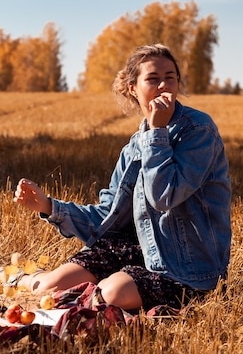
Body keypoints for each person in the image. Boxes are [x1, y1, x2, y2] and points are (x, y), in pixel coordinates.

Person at [13, 44, 231, 312]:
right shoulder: (134, 147)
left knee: (110, 294)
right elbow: (107, 215)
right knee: (51, 288)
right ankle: (27, 279)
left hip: (186, 268)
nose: (164, 85)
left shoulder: (198, 131)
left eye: (170, 77)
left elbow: (164, 197)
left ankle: (104, 288)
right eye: (153, 78)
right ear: (133, 88)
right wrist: (48, 206)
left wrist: (157, 132)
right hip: (138, 249)